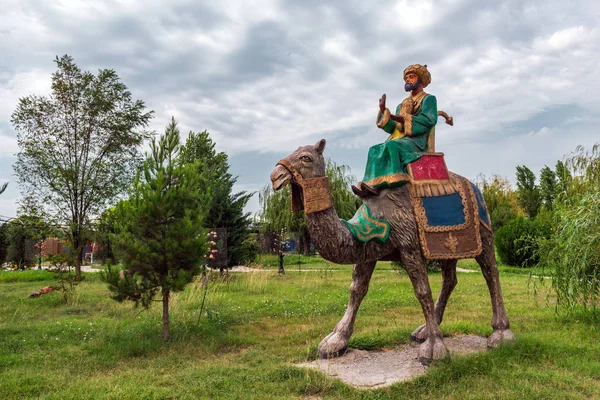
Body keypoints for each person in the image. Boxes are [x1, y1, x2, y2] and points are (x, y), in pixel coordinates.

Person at [353, 64, 438, 197]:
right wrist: (383, 112)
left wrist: (403, 119)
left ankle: (396, 179)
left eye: (411, 77)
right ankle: (371, 184)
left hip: (417, 141)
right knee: (374, 149)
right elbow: (394, 128)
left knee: (392, 145)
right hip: (402, 139)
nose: (408, 80)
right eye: (406, 78)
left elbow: (429, 120)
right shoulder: (402, 104)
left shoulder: (428, 99)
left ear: (421, 79)